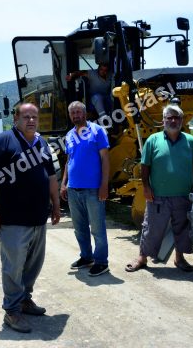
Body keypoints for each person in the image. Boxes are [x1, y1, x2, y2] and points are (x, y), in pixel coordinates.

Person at [0, 103, 60, 333]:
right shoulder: (3, 142)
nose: (31, 120)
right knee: (13, 267)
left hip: (38, 217)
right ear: (15, 118)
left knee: (33, 265)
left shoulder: (42, 142)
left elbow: (51, 176)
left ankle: (25, 300)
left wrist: (56, 205)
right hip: (13, 219)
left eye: (34, 116)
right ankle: (12, 310)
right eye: (26, 116)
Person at [125, 104, 193, 273]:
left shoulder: (191, 142)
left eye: (177, 118)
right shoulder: (153, 140)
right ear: (163, 120)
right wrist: (146, 187)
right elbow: (145, 166)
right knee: (151, 227)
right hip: (158, 195)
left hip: (183, 196)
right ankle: (142, 258)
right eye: (169, 117)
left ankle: (179, 258)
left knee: (181, 228)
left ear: (182, 121)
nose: (173, 121)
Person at [60, 101, 111, 277]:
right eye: (72, 112)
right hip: (74, 190)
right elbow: (69, 161)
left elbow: (105, 159)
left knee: (97, 228)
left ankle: (101, 262)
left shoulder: (97, 131)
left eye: (78, 112)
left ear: (85, 114)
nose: (76, 115)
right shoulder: (69, 135)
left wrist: (104, 185)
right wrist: (64, 183)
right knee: (79, 228)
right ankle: (86, 257)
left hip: (93, 190)